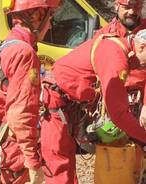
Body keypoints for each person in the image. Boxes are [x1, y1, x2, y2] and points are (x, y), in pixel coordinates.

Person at [40, 21, 146, 183]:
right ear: (141, 47)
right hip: (56, 101)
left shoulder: (118, 48)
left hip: (67, 102)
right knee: (59, 166)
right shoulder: (116, 58)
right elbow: (119, 114)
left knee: (65, 162)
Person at [0, 0, 60, 183]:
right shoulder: (24, 53)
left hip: (6, 142)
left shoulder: (8, 43)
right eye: (50, 16)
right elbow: (21, 113)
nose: (51, 24)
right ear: (37, 16)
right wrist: (33, 163)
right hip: (17, 149)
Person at [94, 0, 146, 129]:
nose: (132, 12)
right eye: (127, 7)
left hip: (141, 100)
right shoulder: (103, 35)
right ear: (116, 6)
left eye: (137, 7)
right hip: (112, 102)